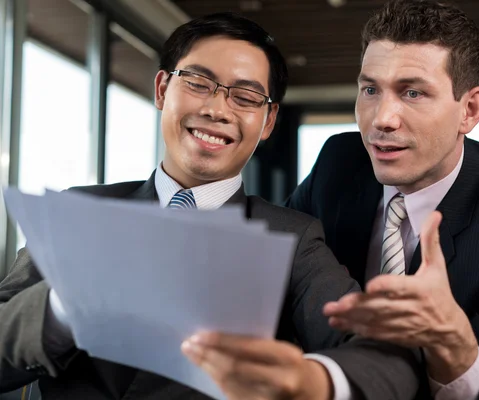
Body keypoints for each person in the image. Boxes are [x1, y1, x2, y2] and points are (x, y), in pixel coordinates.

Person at [0, 13, 421, 400]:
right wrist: (65, 303)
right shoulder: (78, 211)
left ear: (269, 121)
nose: (216, 109)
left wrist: (313, 379)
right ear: (163, 88)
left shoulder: (291, 239)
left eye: (245, 97)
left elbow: (386, 358)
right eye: (198, 83)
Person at [285, 0, 479, 399]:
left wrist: (453, 342)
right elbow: (282, 264)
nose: (382, 119)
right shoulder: (339, 162)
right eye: (370, 89)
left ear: (469, 110)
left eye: (413, 93)